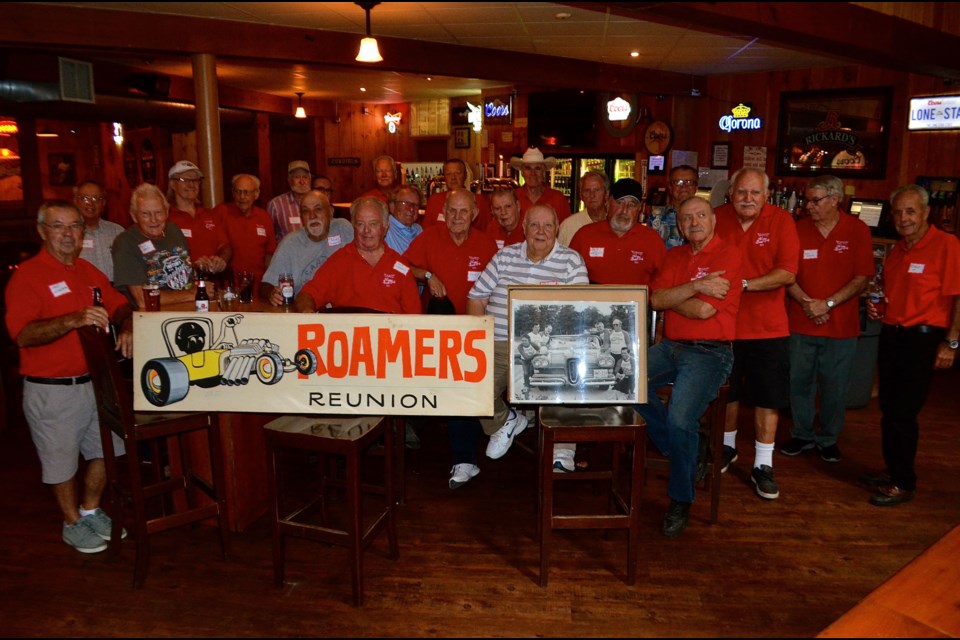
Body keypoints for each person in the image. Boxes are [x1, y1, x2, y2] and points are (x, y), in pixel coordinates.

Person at [5, 199, 133, 553]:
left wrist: (127, 324)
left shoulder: (86, 270)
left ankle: (90, 509)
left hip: (95, 385)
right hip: (52, 389)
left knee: (108, 450)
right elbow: (22, 334)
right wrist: (74, 319)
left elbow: (117, 301)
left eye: (74, 226)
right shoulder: (28, 276)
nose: (67, 233)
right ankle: (71, 521)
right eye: (58, 226)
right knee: (60, 461)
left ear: (82, 232)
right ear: (42, 231)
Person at [634, 196, 741, 537]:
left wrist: (674, 296)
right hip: (671, 347)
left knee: (681, 417)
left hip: (711, 353)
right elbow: (654, 300)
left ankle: (680, 498)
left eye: (700, 216)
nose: (694, 222)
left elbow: (705, 312)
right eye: (687, 218)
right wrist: (695, 286)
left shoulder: (730, 255)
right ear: (679, 226)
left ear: (713, 220)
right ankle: (687, 452)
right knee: (626, 383)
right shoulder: (675, 255)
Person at [467, 203, 588, 472]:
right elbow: (476, 297)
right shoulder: (504, 256)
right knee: (469, 384)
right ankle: (503, 422)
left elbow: (579, 308)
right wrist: (478, 341)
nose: (541, 231)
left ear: (557, 229)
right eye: (534, 225)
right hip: (499, 343)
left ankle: (563, 447)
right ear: (523, 228)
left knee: (567, 373)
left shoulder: (571, 261)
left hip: (548, 346)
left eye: (547, 225)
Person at [863, 184, 960, 506]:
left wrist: (952, 342)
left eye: (910, 211)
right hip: (893, 334)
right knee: (890, 409)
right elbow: (894, 295)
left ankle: (904, 482)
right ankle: (894, 470)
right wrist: (881, 309)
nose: (903, 218)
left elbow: (958, 298)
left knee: (903, 412)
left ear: (926, 212)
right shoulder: (899, 251)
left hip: (922, 338)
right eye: (898, 212)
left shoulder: (947, 245)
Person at [713, 167, 799, 500]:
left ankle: (763, 464)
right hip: (724, 325)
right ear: (730, 193)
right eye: (741, 192)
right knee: (726, 393)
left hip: (768, 329)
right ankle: (726, 448)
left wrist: (744, 284)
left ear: (766, 195)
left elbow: (788, 274)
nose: (747, 199)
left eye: (754, 193)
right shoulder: (717, 218)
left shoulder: (781, 221)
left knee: (768, 398)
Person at [405, 188, 499, 488]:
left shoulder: (486, 244)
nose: (457, 218)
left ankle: (464, 458)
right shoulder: (428, 237)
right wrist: (427, 275)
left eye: (464, 212)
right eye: (452, 211)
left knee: (462, 391)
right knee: (453, 390)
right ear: (444, 212)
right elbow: (403, 267)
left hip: (474, 334)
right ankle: (463, 456)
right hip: (435, 331)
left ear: (474, 215)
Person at [782, 175, 873, 463]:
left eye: (815, 200)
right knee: (799, 383)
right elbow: (786, 274)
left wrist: (828, 304)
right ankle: (802, 434)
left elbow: (861, 278)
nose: (808, 206)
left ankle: (829, 438)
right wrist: (809, 304)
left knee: (835, 387)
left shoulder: (857, 230)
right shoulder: (797, 230)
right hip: (801, 320)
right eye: (807, 200)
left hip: (841, 326)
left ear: (835, 199)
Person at [295, 196, 420, 314]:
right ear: (353, 226)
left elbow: (415, 318)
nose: (366, 230)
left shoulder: (400, 266)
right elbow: (307, 295)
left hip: (389, 335)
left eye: (373, 224)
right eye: (360, 224)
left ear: (385, 227)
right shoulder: (339, 261)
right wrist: (307, 312)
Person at [260, 189, 353, 305]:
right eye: (305, 211)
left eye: (318, 209)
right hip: (305, 311)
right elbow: (265, 284)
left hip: (344, 309)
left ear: (330, 212)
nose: (312, 216)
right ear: (301, 218)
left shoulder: (344, 229)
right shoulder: (290, 243)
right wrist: (271, 293)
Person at [112, 183, 196, 309]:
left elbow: (189, 274)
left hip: (190, 309)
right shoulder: (125, 243)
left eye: (158, 213)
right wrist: (191, 294)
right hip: (153, 318)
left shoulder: (173, 230)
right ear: (134, 216)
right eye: (145, 214)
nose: (153, 220)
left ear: (167, 212)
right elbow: (143, 299)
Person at [569, 177, 666, 286]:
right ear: (607, 202)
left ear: (639, 208)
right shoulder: (584, 236)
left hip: (637, 302)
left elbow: (662, 283)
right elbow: (567, 277)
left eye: (632, 205)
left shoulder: (652, 240)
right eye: (620, 203)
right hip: (593, 302)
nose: (624, 210)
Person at [165, 160, 231, 275]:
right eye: (185, 180)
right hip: (182, 285)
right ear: (172, 184)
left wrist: (221, 259)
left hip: (213, 280)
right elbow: (161, 254)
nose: (191, 184)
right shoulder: (165, 217)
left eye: (195, 180)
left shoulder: (211, 215)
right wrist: (193, 265)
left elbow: (225, 246)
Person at [218, 174, 276, 282]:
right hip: (229, 284)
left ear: (256, 194)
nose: (242, 197)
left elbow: (270, 253)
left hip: (258, 283)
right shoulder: (221, 212)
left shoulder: (264, 217)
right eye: (238, 192)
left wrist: (269, 281)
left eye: (246, 192)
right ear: (233, 193)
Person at [75, 179, 124, 282]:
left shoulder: (118, 232)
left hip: (115, 293)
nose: (91, 203)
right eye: (84, 198)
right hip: (84, 293)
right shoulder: (70, 235)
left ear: (104, 203)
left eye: (96, 198)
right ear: (75, 201)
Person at [422, 158, 491, 231]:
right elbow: (426, 232)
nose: (453, 178)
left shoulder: (479, 201)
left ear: (465, 176)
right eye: (448, 174)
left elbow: (487, 232)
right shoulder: (434, 200)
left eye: (458, 173)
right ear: (444, 177)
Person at [509, 147, 572, 224]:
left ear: (543, 172)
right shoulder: (513, 197)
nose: (533, 173)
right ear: (522, 173)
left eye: (537, 168)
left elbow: (566, 230)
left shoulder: (558, 198)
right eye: (528, 168)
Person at [647, 165, 698, 248]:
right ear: (670, 187)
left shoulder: (705, 217)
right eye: (678, 182)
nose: (684, 186)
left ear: (696, 187)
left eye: (689, 182)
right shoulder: (656, 216)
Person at [557, 170, 610, 246]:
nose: (592, 195)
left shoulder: (616, 223)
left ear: (606, 194)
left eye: (597, 190)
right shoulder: (569, 226)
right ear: (581, 196)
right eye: (587, 191)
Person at [268, 160, 312, 243]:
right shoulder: (276, 205)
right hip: (288, 254)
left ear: (310, 179)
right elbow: (269, 237)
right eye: (297, 177)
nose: (302, 181)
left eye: (305, 177)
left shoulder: (319, 201)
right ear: (289, 180)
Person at [384, 185, 424, 254]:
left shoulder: (418, 230)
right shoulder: (385, 229)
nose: (411, 209)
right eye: (405, 203)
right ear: (392, 206)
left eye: (416, 205)